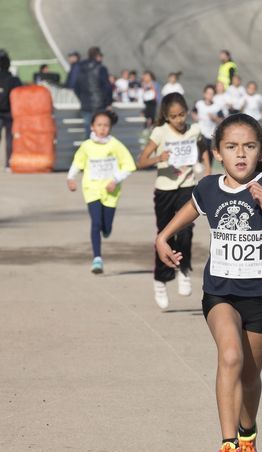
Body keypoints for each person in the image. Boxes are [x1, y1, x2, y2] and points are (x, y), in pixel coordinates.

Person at [155, 113, 262, 452]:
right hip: (219, 292)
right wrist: (162, 238)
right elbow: (189, 210)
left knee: (250, 377)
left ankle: (248, 433)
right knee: (230, 355)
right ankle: (227, 446)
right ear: (218, 152)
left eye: (249, 147)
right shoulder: (209, 187)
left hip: (260, 297)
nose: (240, 154)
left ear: (261, 152)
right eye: (232, 147)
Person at [137, 92, 210, 309]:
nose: (179, 120)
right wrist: (158, 158)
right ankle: (160, 280)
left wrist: (206, 168)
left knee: (186, 230)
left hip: (187, 186)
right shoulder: (160, 132)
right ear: (166, 117)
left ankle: (184, 269)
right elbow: (141, 161)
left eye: (182, 114)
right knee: (165, 235)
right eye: (174, 116)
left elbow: (203, 147)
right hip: (165, 190)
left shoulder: (194, 129)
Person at [66, 110, 136, 273]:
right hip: (92, 189)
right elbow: (77, 163)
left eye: (106, 125)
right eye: (99, 125)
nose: (102, 128)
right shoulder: (86, 146)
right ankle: (97, 259)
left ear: (110, 127)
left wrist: (115, 180)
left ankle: (107, 229)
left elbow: (129, 165)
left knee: (106, 227)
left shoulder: (115, 145)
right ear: (92, 127)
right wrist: (71, 178)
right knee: (95, 223)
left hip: (111, 191)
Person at [74, 46, 113, 138]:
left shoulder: (80, 68)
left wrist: (82, 98)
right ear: (97, 56)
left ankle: (88, 150)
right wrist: (108, 102)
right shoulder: (101, 68)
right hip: (100, 104)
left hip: (86, 103)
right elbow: (107, 87)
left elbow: (76, 87)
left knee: (89, 130)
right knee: (101, 131)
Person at [0, 52, 22, 170]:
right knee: (9, 138)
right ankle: (8, 164)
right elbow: (21, 94)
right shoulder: (13, 79)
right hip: (10, 112)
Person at [192, 84, 222, 167]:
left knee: (210, 153)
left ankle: (208, 169)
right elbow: (193, 112)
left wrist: (215, 118)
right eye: (208, 93)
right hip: (201, 131)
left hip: (211, 134)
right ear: (204, 94)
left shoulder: (216, 107)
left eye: (212, 94)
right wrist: (195, 117)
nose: (209, 95)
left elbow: (221, 119)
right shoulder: (199, 104)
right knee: (201, 146)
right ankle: (198, 161)